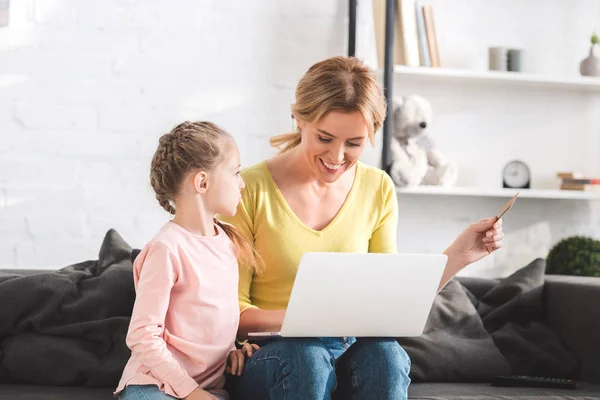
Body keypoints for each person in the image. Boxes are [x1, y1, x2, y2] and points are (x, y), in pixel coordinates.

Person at [219, 56, 504, 400]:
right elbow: (232, 311)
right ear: (298, 119)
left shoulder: (378, 188)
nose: (337, 156)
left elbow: (390, 299)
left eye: (353, 143)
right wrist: (306, 318)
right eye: (324, 138)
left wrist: (459, 255)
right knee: (306, 357)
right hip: (274, 357)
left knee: (385, 356)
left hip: (346, 350)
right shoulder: (247, 188)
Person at [114, 121, 263, 400]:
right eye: (236, 173)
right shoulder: (166, 249)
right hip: (154, 386)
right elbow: (142, 336)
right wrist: (192, 393)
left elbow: (215, 316)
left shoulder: (227, 243)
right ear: (202, 182)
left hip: (206, 389)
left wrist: (232, 349)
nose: (242, 184)